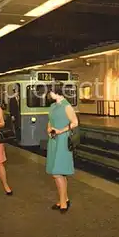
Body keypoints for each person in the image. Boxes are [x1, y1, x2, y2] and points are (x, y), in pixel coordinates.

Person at [46, 83, 79, 213]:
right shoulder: (53, 106)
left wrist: (61, 131)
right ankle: (64, 199)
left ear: (56, 92)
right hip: (53, 140)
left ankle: (63, 202)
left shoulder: (67, 106)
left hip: (63, 140)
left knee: (57, 172)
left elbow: (75, 122)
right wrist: (49, 128)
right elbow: (50, 120)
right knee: (59, 172)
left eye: (50, 92)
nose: (49, 94)